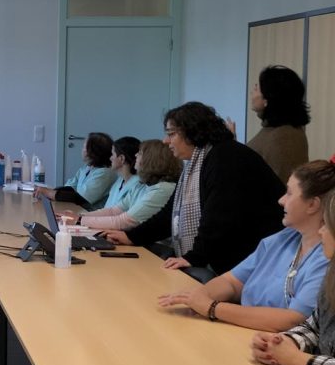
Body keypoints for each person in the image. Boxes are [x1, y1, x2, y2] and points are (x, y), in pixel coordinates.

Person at [105, 102, 284, 275]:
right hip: (241, 261)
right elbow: (170, 215)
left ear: (192, 132)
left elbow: (220, 219)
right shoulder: (200, 162)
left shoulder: (226, 158)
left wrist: (195, 257)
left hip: (260, 264)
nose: (166, 141)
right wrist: (132, 237)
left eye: (171, 134)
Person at [159, 160, 335, 331]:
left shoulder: (327, 257)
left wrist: (212, 308)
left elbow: (293, 319)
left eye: (289, 193)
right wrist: (201, 296)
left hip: (270, 342)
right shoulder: (283, 238)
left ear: (312, 204)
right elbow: (232, 281)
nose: (281, 200)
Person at [252, 191, 335, 365]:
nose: (321, 231)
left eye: (327, 225)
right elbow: (314, 327)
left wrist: (296, 359)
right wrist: (281, 343)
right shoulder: (331, 276)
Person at [68, 140, 180, 231]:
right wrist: (80, 217)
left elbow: (125, 221)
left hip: (152, 247)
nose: (136, 155)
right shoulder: (142, 185)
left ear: (151, 160)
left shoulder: (163, 189)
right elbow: (113, 211)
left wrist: (79, 220)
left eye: (140, 153)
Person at [227, 65, 309, 184]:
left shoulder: (282, 137)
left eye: (256, 88)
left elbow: (276, 185)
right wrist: (233, 145)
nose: (252, 92)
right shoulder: (277, 130)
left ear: (267, 99)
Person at [36, 132, 115, 209]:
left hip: (89, 213)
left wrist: (48, 192)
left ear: (94, 152)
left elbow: (80, 198)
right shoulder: (86, 168)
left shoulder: (104, 174)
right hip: (77, 209)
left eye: (84, 147)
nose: (82, 150)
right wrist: (48, 191)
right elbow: (70, 188)